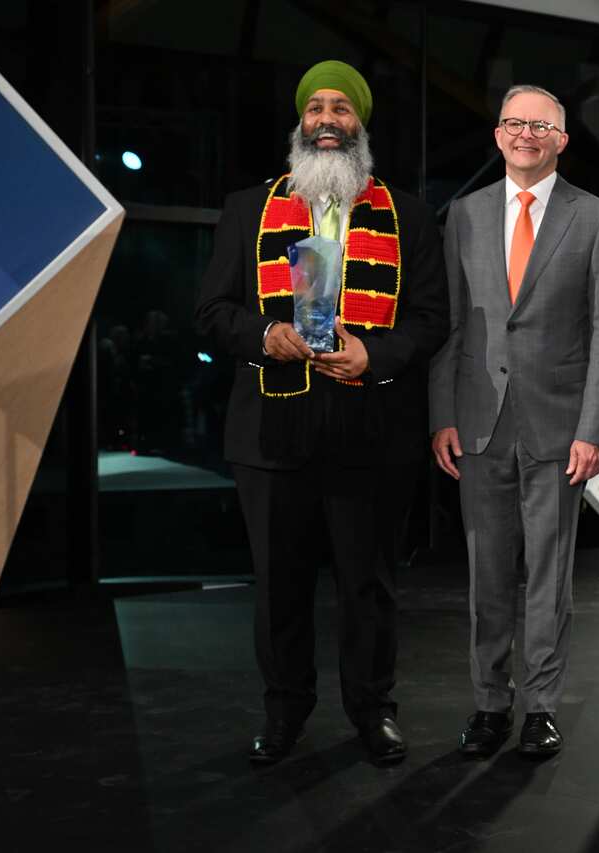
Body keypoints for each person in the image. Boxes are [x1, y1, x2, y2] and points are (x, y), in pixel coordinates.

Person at [195, 60, 449, 766]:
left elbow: (431, 319)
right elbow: (212, 311)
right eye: (316, 108)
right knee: (279, 586)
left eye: (342, 108)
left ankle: (373, 709)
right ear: (300, 121)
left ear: (360, 123)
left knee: (369, 585)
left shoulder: (408, 215)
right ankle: (285, 711)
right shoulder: (248, 208)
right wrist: (264, 334)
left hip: (372, 430)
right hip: (271, 431)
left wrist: (375, 354)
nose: (328, 120)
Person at [429, 84, 599, 759]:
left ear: (562, 140)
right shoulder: (464, 214)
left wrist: (593, 428)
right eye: (514, 123)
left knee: (549, 575)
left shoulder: (595, 218)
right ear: (498, 134)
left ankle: (541, 706)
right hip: (478, 422)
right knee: (486, 574)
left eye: (540, 126)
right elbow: (452, 323)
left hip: (559, 425)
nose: (525, 135)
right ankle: (489, 703)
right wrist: (442, 415)